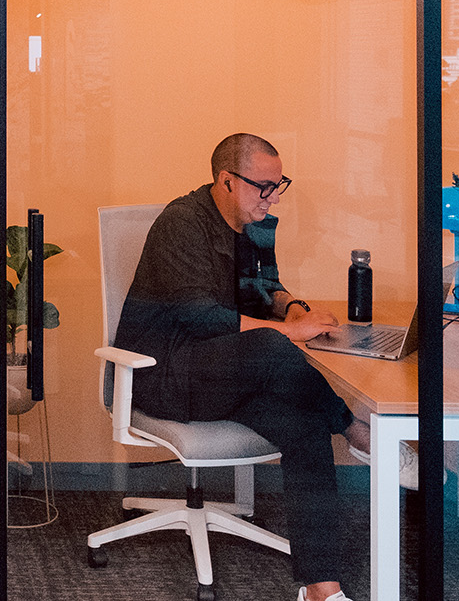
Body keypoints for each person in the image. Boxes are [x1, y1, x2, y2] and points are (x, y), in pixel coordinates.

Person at [112, 133, 381, 601]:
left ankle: (321, 588)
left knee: (304, 425)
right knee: (273, 346)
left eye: (279, 185)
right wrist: (289, 332)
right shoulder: (181, 223)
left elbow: (265, 286)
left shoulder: (255, 225)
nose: (273, 198)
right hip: (164, 373)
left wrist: (292, 308)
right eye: (264, 187)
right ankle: (352, 426)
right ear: (226, 181)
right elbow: (199, 317)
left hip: (225, 373)